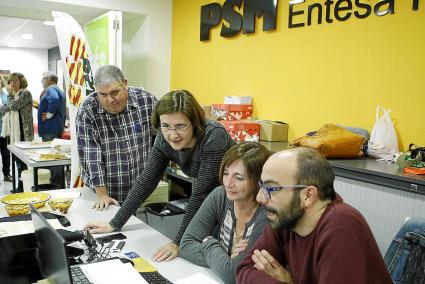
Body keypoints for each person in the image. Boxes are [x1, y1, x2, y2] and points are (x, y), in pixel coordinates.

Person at [84, 89, 235, 262]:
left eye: (180, 126)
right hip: (215, 196)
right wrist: (114, 224)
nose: (172, 134)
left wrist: (178, 242)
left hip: (235, 196)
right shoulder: (164, 139)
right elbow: (146, 181)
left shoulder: (213, 136)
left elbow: (201, 194)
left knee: (219, 255)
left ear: (194, 122)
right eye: (166, 126)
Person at [236, 147, 392, 284]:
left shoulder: (341, 228)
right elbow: (244, 270)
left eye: (271, 188)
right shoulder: (286, 217)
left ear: (308, 195)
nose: (260, 198)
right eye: (261, 186)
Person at [179, 142, 269, 284]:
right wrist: (227, 260)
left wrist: (209, 242)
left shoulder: (266, 213)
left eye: (238, 178)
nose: (228, 183)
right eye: (226, 173)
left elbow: (232, 275)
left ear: (259, 181)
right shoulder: (220, 195)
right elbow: (185, 246)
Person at [76, 65, 157, 208]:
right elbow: (92, 155)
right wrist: (102, 195)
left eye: (115, 92)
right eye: (103, 95)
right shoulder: (88, 109)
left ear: (125, 84)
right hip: (101, 191)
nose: (110, 100)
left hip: (140, 189)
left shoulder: (147, 101)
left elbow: (160, 138)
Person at [0, 72, 34, 192]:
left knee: (22, 162)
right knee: (17, 162)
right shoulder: (14, 95)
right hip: (15, 134)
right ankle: (20, 186)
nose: (12, 83)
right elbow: (3, 109)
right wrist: (8, 101)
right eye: (11, 81)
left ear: (21, 81)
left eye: (15, 81)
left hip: (24, 134)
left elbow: (14, 106)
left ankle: (22, 187)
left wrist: (9, 97)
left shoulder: (25, 93)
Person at [38, 71, 66, 141]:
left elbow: (54, 99)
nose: (42, 81)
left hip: (49, 129)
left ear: (49, 80)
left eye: (43, 79)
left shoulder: (51, 89)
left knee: (49, 150)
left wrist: (49, 114)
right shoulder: (58, 89)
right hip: (55, 128)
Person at [0, 78, 12, 182]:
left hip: (5, 129)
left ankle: (6, 174)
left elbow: (9, 107)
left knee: (6, 154)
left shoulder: (5, 95)